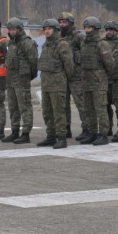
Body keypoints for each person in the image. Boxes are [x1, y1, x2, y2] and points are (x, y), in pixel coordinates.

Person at [38, 18, 75, 149]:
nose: (47, 31)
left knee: (59, 112)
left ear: (55, 30)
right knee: (47, 112)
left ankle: (61, 138)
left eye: (49, 29)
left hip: (58, 84)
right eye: (45, 29)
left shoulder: (62, 44)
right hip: (46, 84)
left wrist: (62, 79)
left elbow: (69, 65)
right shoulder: (45, 45)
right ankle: (51, 136)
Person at [79, 17, 116, 145]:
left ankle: (103, 134)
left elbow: (110, 64)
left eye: (89, 28)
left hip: (98, 82)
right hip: (86, 82)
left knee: (101, 109)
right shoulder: (83, 43)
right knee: (89, 110)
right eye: (86, 28)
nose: (87, 30)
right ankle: (93, 132)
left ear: (95, 29)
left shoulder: (102, 44)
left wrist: (102, 76)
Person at [2, 18, 39, 144]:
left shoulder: (27, 43)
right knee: (13, 107)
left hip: (22, 80)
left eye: (14, 30)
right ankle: (14, 131)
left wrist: (29, 76)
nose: (12, 32)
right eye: (10, 30)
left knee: (25, 107)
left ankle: (26, 133)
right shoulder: (10, 43)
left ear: (19, 29)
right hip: (11, 80)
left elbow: (34, 62)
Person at [58, 11, 88, 140]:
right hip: (63, 75)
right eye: (60, 22)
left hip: (77, 76)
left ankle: (87, 129)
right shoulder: (60, 37)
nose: (61, 25)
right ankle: (65, 129)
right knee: (63, 104)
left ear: (70, 23)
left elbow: (86, 54)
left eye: (64, 22)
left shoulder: (78, 36)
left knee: (81, 104)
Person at [104, 21, 118, 135]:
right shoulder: (103, 43)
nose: (109, 32)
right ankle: (108, 128)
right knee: (105, 107)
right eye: (108, 30)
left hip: (117, 80)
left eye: (111, 30)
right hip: (104, 80)